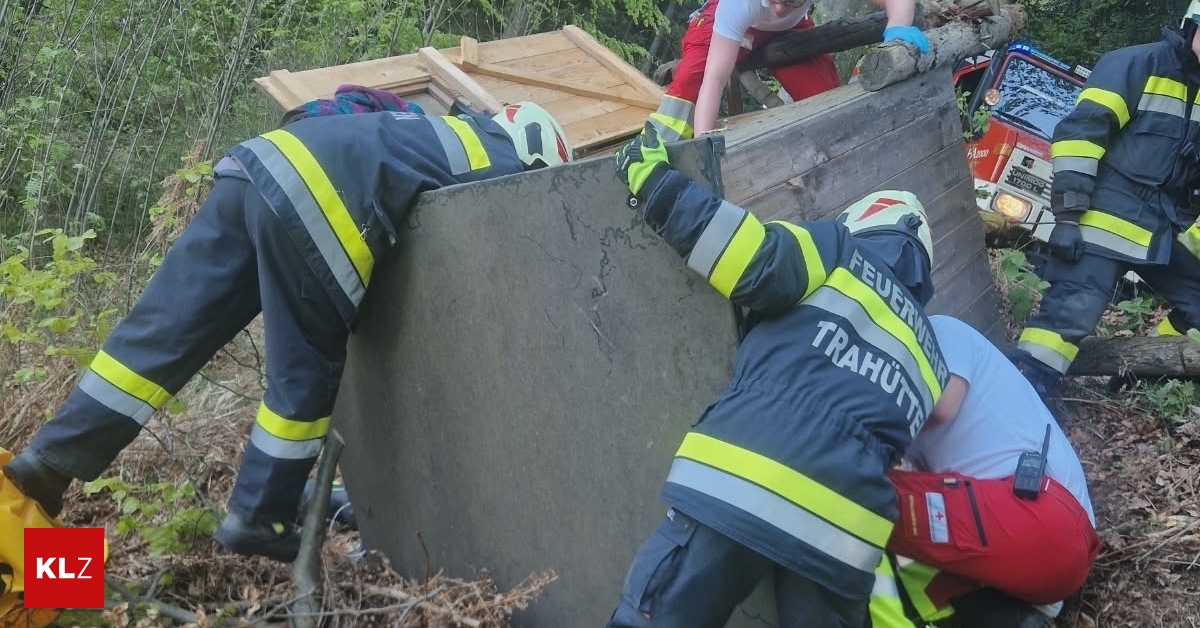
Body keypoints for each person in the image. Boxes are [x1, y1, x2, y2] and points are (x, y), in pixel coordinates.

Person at [0, 101, 573, 566]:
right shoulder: (498, 157)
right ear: (538, 150)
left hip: (254, 166)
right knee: (304, 378)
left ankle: (48, 463)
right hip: (318, 200)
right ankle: (259, 517)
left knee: (157, 337)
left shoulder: (425, 127)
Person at [607, 121, 949, 627]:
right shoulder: (934, 356)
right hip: (846, 534)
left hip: (744, 479)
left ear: (863, 224)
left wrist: (653, 181)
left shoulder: (838, 251)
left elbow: (751, 262)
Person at [1011, 1, 1200, 396]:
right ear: (1190, 26)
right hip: (1100, 222)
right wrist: (1067, 218)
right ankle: (1022, 394)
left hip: (1160, 233)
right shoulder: (1135, 65)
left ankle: (1140, 376)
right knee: (1067, 319)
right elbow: (1081, 136)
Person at [870, 315, 1100, 628]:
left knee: (854, 490)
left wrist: (854, 426)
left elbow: (942, 407)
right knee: (898, 508)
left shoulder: (939, 330)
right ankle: (1001, 614)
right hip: (1038, 541)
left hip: (1043, 518)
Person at [648, 0, 929, 142]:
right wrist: (704, 145)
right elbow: (716, 78)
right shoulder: (737, 5)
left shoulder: (785, 11)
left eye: (792, 1)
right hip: (723, 21)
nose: (780, 8)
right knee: (690, 79)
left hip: (791, 30)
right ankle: (661, 145)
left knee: (823, 96)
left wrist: (897, 33)